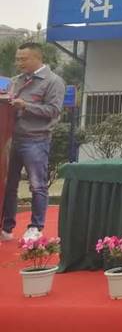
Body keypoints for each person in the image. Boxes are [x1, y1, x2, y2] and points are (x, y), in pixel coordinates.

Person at [1, 43, 65, 241]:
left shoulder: (53, 81)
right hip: (12, 139)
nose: (19, 63)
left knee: (37, 185)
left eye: (23, 59)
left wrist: (26, 105)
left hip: (36, 140)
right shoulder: (15, 81)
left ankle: (36, 227)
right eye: (17, 59)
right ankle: (6, 227)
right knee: (9, 185)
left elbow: (54, 110)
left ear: (37, 58)